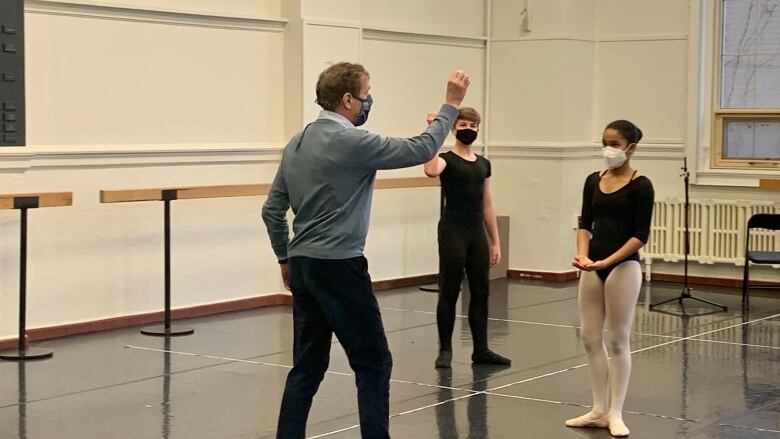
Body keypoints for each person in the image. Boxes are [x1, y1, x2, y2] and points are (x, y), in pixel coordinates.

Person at [262, 62, 471, 439]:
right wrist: (451, 105)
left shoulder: (298, 142)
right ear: (346, 100)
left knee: (307, 366)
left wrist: (284, 257)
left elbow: (272, 210)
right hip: (340, 267)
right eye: (366, 94)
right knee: (373, 363)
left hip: (305, 267)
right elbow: (421, 147)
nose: (368, 100)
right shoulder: (351, 142)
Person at [565, 120, 654, 437]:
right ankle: (598, 408)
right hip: (593, 266)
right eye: (604, 142)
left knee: (617, 339)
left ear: (630, 147)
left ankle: (616, 412)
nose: (608, 149)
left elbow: (639, 236)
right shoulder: (593, 180)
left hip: (623, 266)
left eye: (614, 143)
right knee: (590, 337)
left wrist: (608, 260)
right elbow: (585, 223)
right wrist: (583, 256)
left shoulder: (641, 185)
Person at [423, 107, 511, 369]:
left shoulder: (484, 164)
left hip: (475, 232)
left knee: (481, 290)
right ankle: (445, 350)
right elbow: (430, 170)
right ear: (453, 128)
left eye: (473, 125)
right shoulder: (446, 159)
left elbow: (487, 205)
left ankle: (481, 349)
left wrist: (495, 241)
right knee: (449, 289)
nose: (468, 129)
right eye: (463, 124)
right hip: (452, 229)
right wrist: (432, 131)